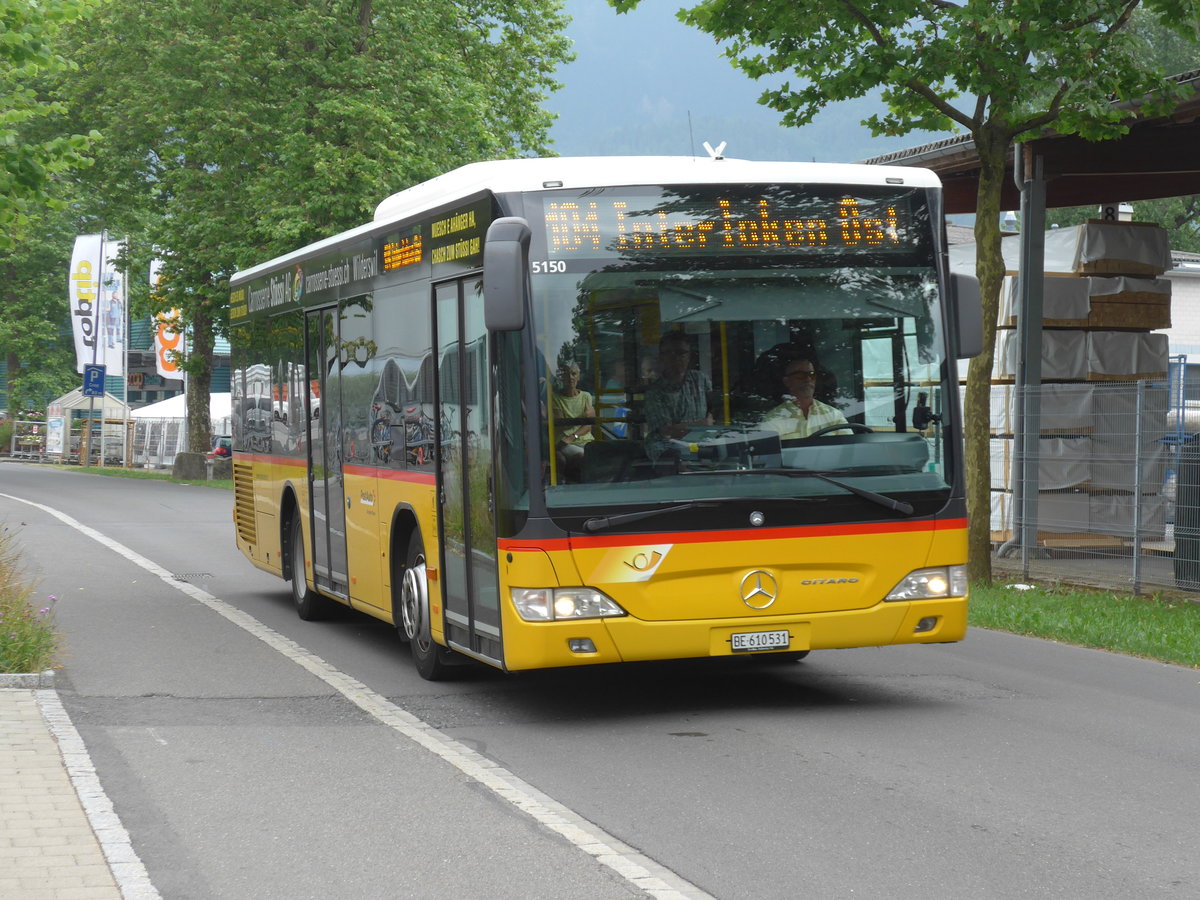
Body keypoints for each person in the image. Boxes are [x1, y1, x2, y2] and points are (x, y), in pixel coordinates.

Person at [643, 331, 713, 449]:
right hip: (667, 452)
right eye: (669, 353)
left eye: (681, 353)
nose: (675, 358)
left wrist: (682, 427)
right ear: (661, 357)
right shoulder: (654, 392)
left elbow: (714, 413)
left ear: (689, 355)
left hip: (700, 447)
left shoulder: (700, 379)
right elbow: (667, 432)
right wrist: (703, 424)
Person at [758, 357, 850, 439]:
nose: (808, 379)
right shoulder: (773, 419)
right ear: (787, 382)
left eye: (812, 374)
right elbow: (770, 457)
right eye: (800, 375)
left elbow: (849, 450)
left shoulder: (834, 416)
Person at [551, 361, 594, 476]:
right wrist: (583, 416)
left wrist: (573, 436)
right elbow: (562, 424)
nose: (570, 377)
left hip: (585, 441)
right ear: (562, 378)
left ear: (578, 377)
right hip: (564, 443)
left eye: (574, 374)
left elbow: (588, 425)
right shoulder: (555, 397)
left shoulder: (586, 396)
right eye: (566, 374)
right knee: (582, 456)